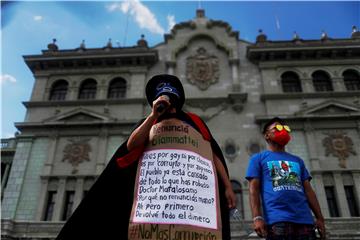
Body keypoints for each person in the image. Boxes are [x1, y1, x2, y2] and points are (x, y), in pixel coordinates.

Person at [56, 74, 236, 240]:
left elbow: (212, 154)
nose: (168, 104)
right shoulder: (149, 122)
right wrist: (153, 115)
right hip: (155, 200)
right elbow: (131, 146)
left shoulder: (195, 122)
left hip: (188, 197)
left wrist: (227, 186)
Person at [246, 117, 326, 240]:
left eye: (285, 128)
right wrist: (257, 218)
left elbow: (309, 191)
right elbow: (253, 190)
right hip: (277, 222)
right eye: (277, 128)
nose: (282, 131)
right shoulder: (258, 159)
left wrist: (319, 218)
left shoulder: (298, 161)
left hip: (305, 221)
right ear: (267, 135)